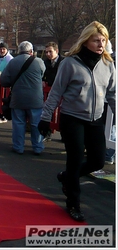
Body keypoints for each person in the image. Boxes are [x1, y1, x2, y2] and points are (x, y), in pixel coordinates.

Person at [38, 21, 115, 222]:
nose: (101, 43)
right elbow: (56, 92)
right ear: (86, 41)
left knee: (97, 160)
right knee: (74, 159)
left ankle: (67, 177)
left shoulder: (108, 64)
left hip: (96, 119)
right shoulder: (70, 63)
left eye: (104, 40)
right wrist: (45, 118)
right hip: (72, 118)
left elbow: (113, 93)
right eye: (96, 40)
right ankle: (73, 202)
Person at [0, 41, 45, 155]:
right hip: (35, 99)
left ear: (19, 51)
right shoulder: (39, 61)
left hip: (18, 98)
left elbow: (4, 81)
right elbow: (42, 74)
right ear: (31, 51)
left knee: (19, 124)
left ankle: (18, 147)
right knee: (36, 124)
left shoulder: (12, 62)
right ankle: (38, 147)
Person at [41, 42, 64, 141]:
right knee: (48, 111)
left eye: (50, 51)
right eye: (46, 52)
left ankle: (64, 136)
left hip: (62, 91)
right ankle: (47, 134)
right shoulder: (45, 62)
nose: (48, 54)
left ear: (57, 51)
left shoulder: (64, 62)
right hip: (50, 90)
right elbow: (43, 73)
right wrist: (43, 79)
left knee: (62, 113)